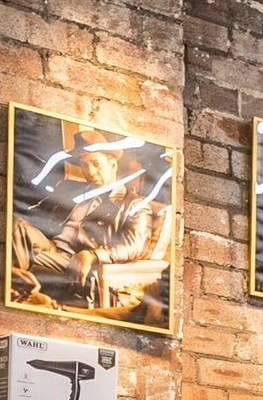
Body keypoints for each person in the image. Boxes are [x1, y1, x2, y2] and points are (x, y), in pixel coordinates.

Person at [16, 140, 174, 326]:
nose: (90, 171)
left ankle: (17, 297)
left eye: (96, 164)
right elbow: (36, 213)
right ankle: (15, 294)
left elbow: (134, 247)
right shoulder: (72, 190)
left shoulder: (133, 204)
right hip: (51, 245)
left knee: (21, 255)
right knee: (15, 226)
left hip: (76, 257)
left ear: (113, 164)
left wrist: (93, 255)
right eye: (84, 165)